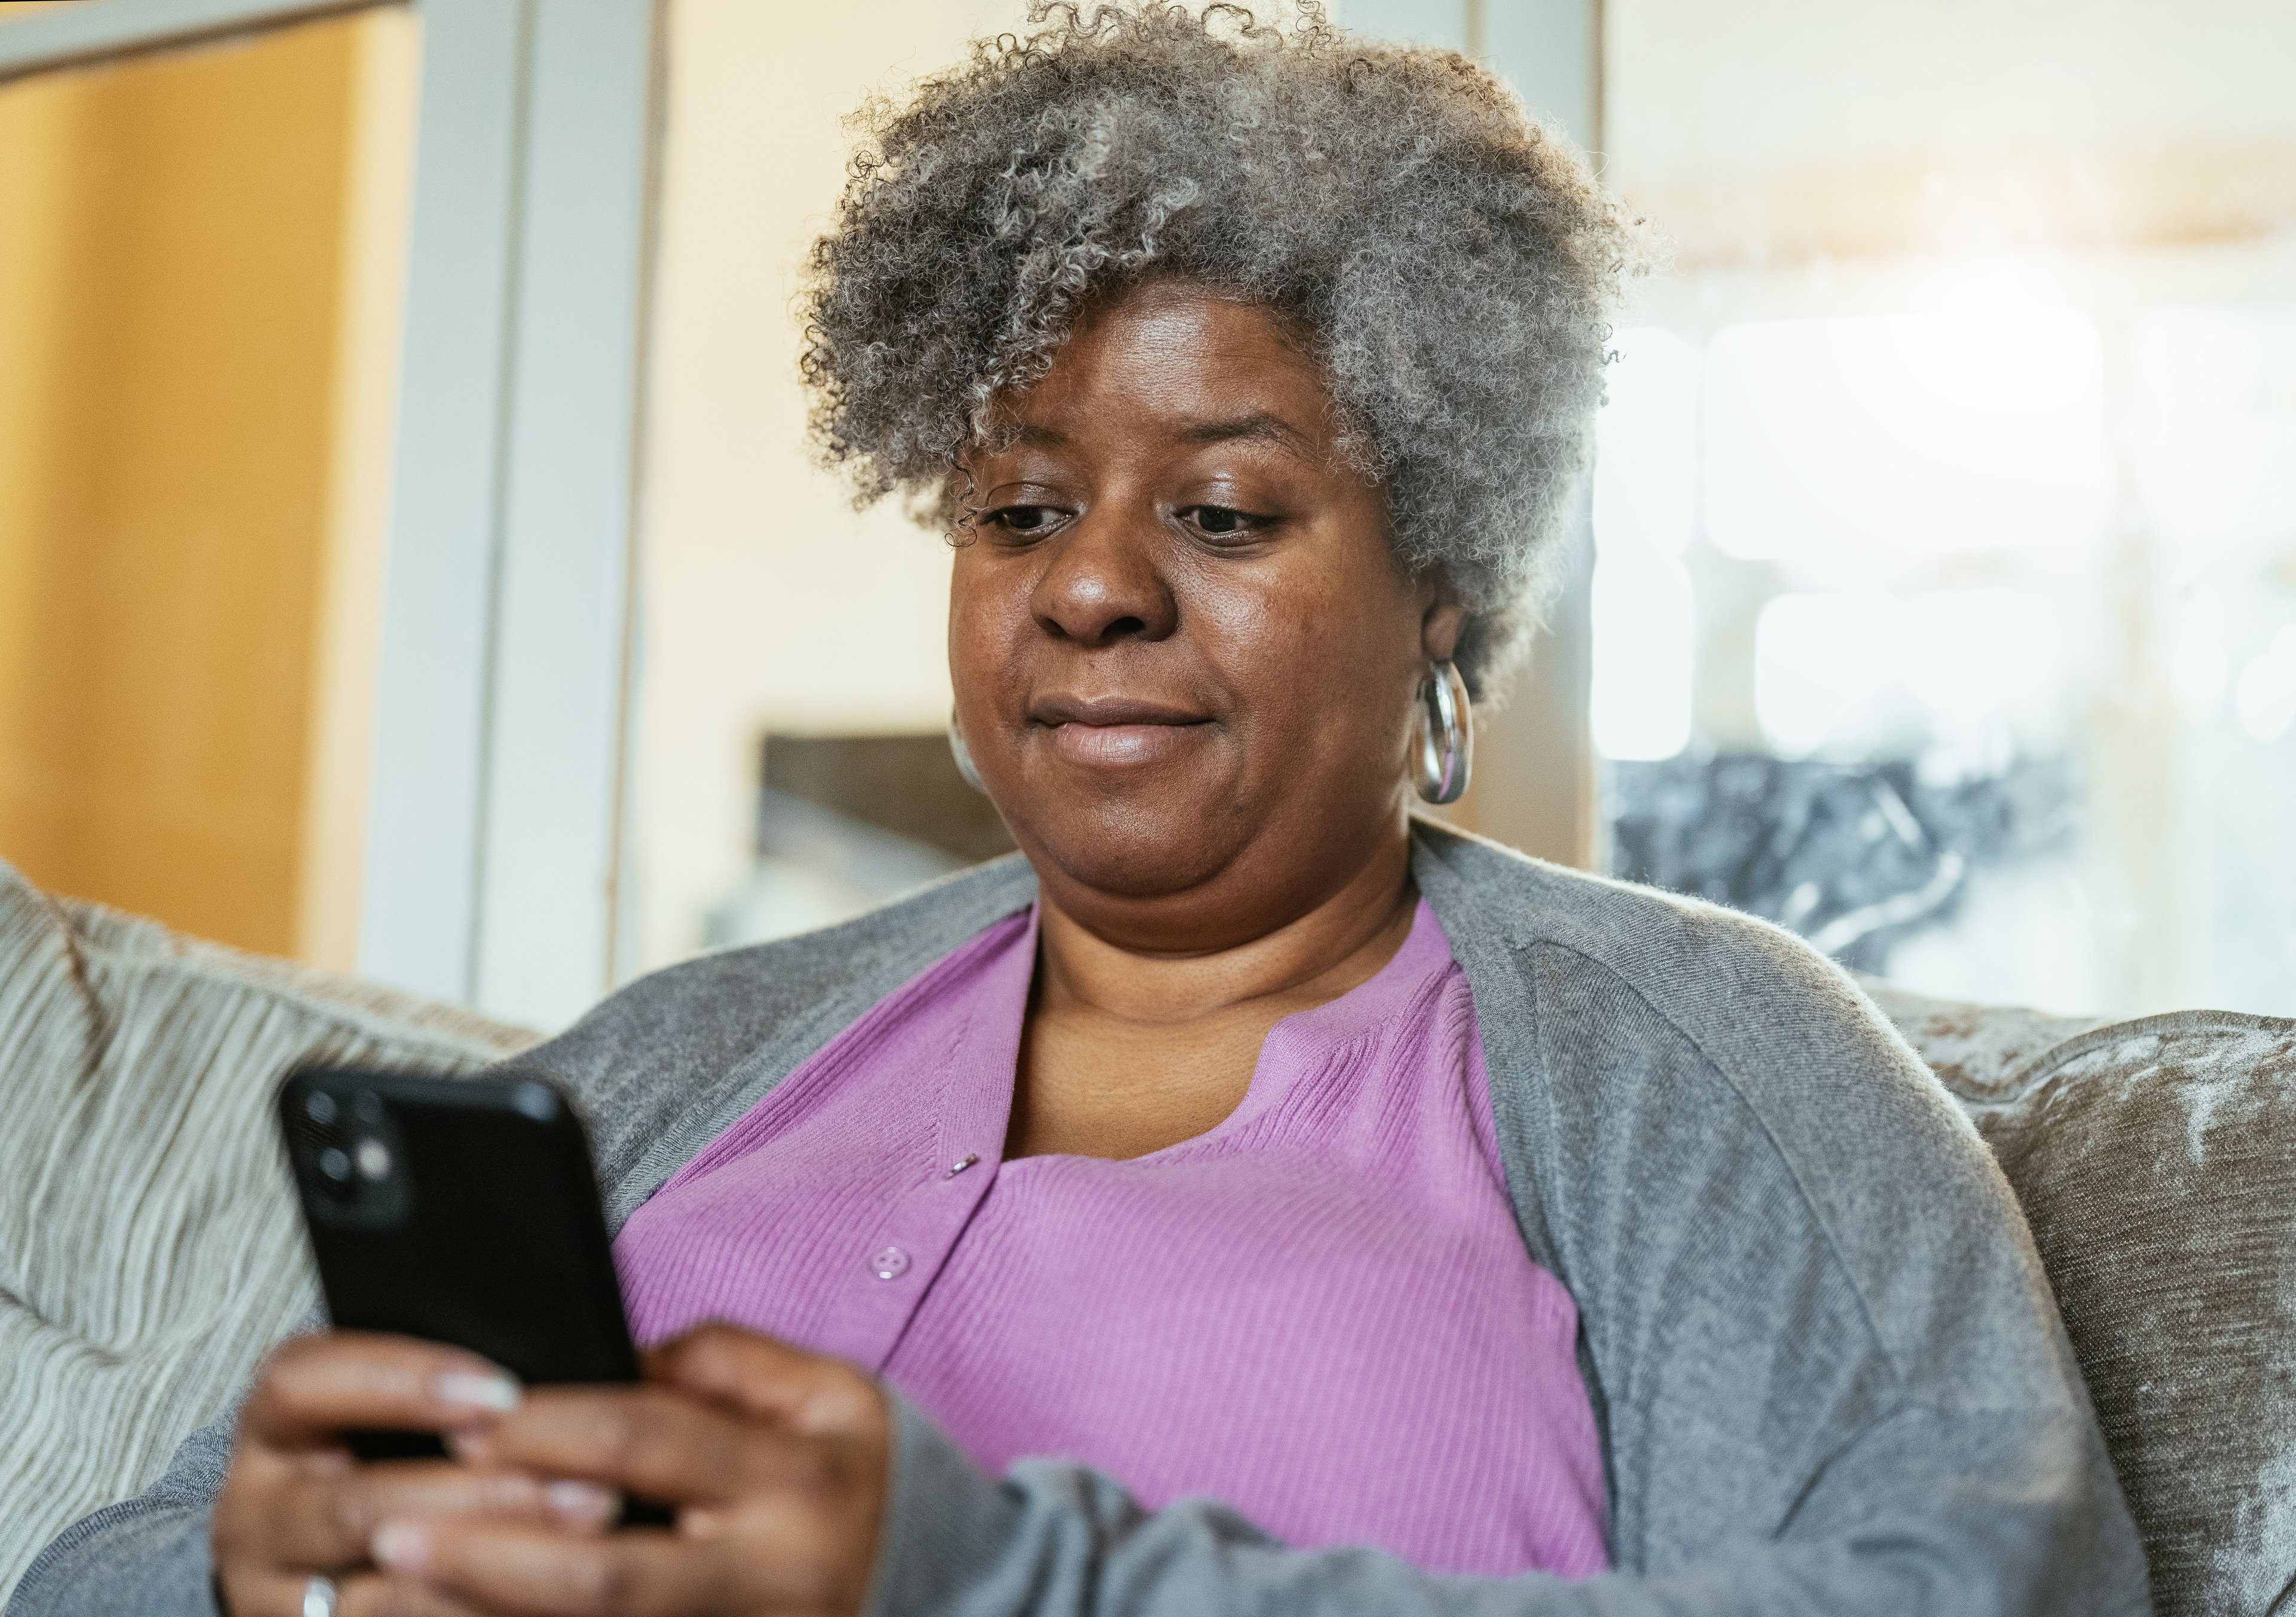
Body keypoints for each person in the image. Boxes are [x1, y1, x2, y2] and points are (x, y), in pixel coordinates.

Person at [12, 6, 2149, 1616]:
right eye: (1017, 505)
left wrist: (977, 1578)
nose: (1093, 582)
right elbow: (99, 1562)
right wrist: (252, 1568)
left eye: (1222, 509)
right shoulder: (683, 1057)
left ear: (1449, 596)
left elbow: (1970, 1590)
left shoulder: (1693, 1062)